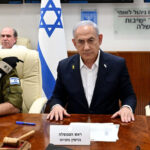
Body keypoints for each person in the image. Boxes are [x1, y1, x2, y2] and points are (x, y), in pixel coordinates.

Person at [47, 20, 137, 123]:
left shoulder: (117, 64)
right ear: (74, 43)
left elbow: (129, 96)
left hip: (108, 124)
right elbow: (57, 96)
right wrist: (56, 106)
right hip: (76, 126)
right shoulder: (64, 66)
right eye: (81, 41)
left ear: (100, 39)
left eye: (90, 40)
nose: (86, 47)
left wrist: (126, 107)